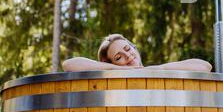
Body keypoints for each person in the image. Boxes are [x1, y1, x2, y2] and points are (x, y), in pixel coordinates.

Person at [62, 33, 212, 72]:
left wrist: (157, 69)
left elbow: (205, 67)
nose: (128, 56)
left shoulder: (156, 72)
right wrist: (117, 69)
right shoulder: (110, 80)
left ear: (134, 48)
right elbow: (69, 65)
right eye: (118, 57)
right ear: (110, 63)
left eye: (128, 49)